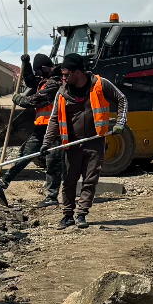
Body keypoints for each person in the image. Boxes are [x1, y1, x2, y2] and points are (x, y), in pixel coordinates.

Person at [41, 53, 128, 230]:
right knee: (69, 181)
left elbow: (122, 100)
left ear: (78, 72)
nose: (63, 78)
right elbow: (54, 119)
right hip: (71, 144)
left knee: (90, 180)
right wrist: (46, 143)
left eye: (66, 74)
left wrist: (120, 122)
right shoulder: (63, 91)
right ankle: (67, 216)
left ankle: (81, 214)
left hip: (95, 142)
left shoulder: (100, 84)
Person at [0, 52, 64, 207]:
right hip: (41, 127)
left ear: (45, 67)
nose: (37, 75)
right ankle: (4, 181)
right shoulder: (45, 79)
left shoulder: (56, 83)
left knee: (53, 162)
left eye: (38, 71)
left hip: (55, 128)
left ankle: (52, 198)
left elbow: (36, 100)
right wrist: (26, 65)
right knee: (26, 153)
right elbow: (31, 82)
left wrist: (19, 99)